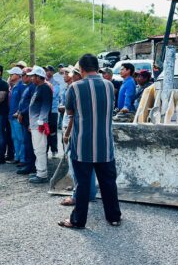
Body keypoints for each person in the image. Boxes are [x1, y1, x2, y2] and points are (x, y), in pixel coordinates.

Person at [59, 53, 121, 229]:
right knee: (108, 183)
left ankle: (78, 220)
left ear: (82, 69)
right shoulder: (109, 85)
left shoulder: (75, 87)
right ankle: (114, 217)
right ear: (97, 68)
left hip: (82, 145)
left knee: (82, 184)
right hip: (105, 144)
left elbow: (70, 112)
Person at [59, 70, 98, 207]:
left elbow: (72, 115)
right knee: (89, 165)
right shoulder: (84, 88)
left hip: (75, 131)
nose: (68, 76)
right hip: (86, 131)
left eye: (71, 73)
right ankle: (90, 193)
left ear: (78, 74)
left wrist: (67, 134)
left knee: (76, 165)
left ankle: (77, 195)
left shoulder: (75, 88)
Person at [27, 66, 52, 183]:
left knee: (40, 148)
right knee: (37, 149)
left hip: (39, 123)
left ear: (38, 77)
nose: (31, 78)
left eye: (33, 76)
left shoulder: (45, 88)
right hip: (35, 123)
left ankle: (42, 174)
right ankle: (39, 171)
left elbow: (46, 105)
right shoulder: (38, 88)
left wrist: (41, 120)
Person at [16, 68, 36, 175]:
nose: (23, 76)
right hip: (24, 118)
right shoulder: (27, 87)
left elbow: (31, 105)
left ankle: (30, 166)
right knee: (26, 142)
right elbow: (23, 101)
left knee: (29, 144)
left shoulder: (33, 87)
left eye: (24, 74)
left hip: (29, 118)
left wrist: (22, 113)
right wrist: (20, 112)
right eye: (22, 74)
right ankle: (28, 164)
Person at [7, 67, 25, 166]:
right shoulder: (14, 86)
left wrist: (19, 112)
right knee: (14, 137)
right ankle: (17, 156)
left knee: (20, 138)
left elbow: (23, 102)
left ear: (18, 75)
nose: (10, 76)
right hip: (11, 116)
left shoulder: (22, 86)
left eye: (12, 74)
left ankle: (22, 158)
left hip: (17, 116)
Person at [45, 65, 62, 157]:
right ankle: (46, 150)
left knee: (53, 131)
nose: (48, 72)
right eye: (46, 70)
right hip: (44, 111)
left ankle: (54, 150)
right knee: (45, 130)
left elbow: (53, 94)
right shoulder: (42, 82)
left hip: (53, 110)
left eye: (50, 71)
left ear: (52, 72)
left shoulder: (55, 83)